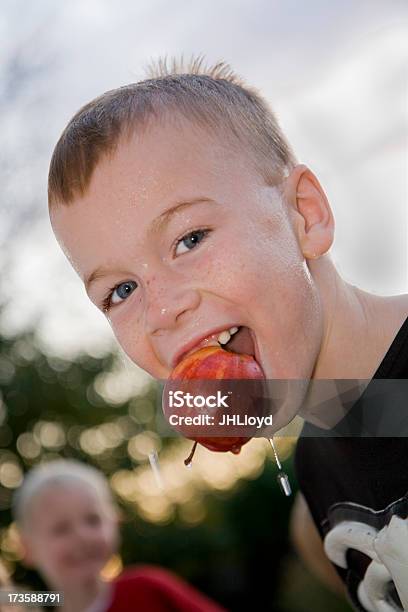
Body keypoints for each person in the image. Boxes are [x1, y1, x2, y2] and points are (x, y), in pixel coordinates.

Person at [47, 58, 408, 610]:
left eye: (190, 239)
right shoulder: (319, 493)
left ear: (304, 217)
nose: (161, 310)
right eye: (120, 291)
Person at [12, 459, 225, 612]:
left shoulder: (149, 591)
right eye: (61, 529)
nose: (82, 536)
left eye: (93, 520)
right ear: (27, 548)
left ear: (115, 522)